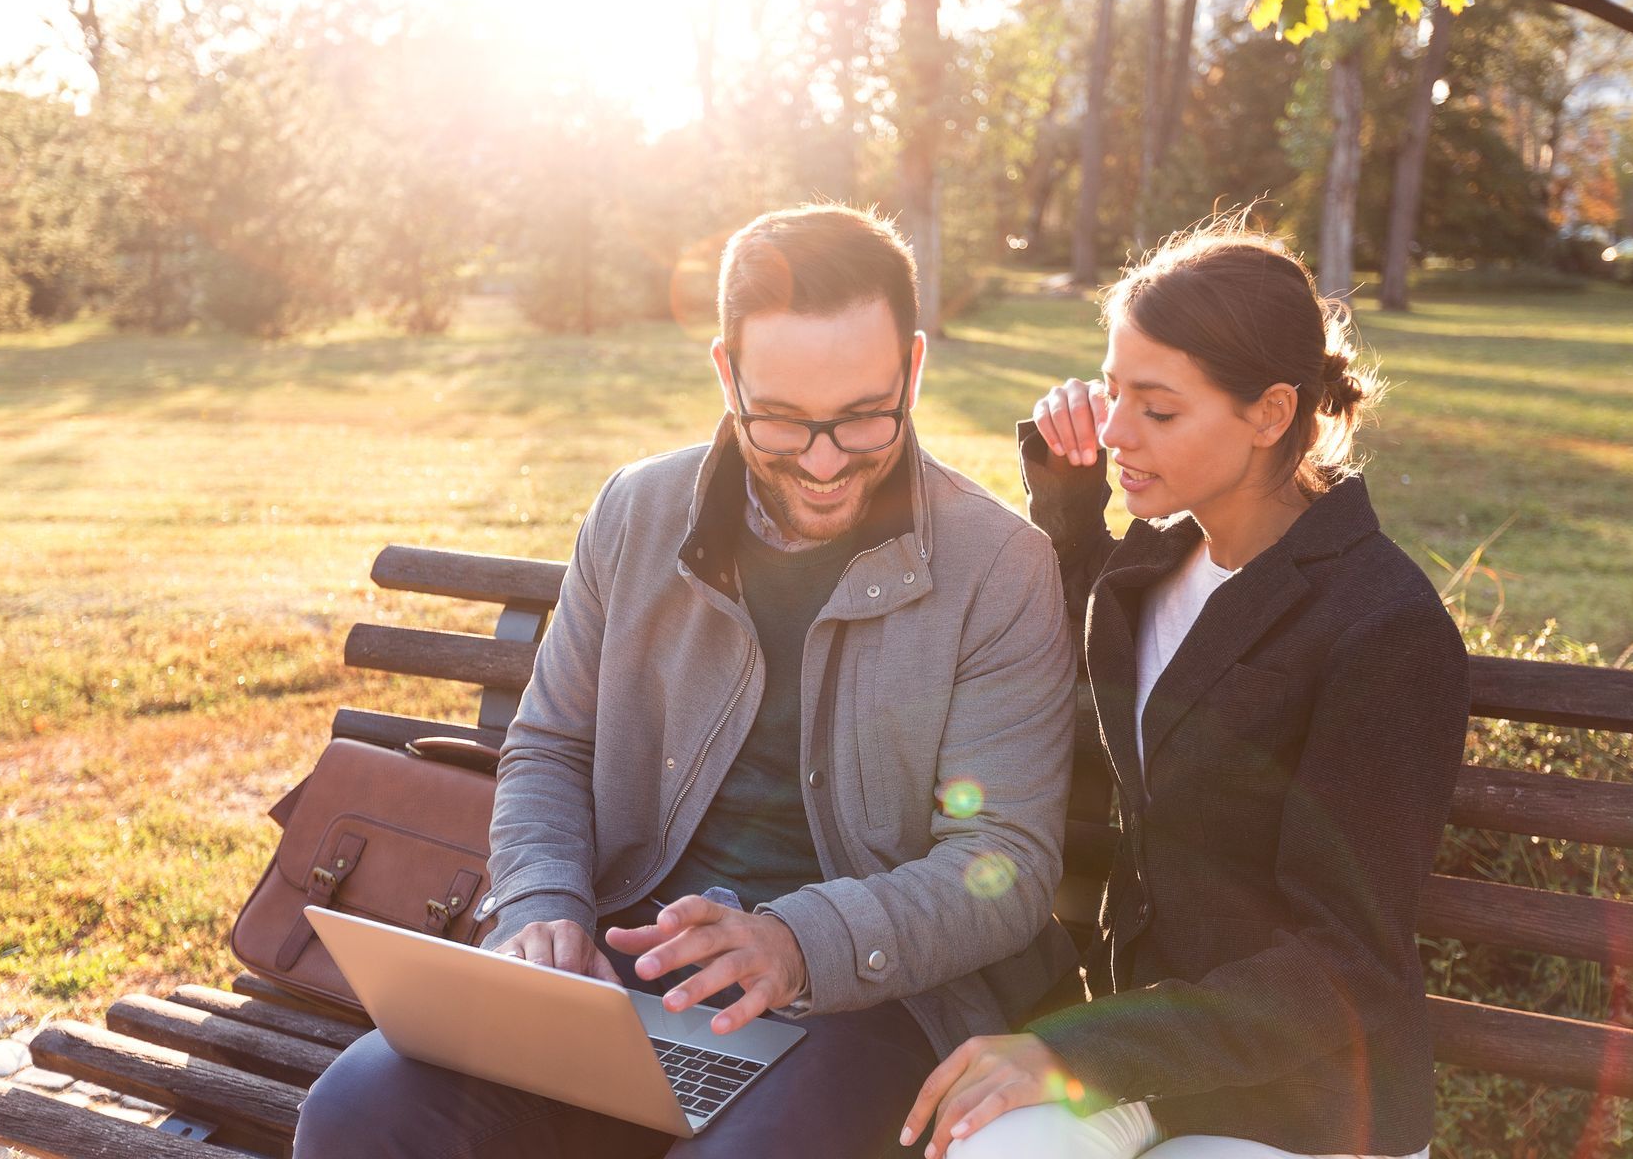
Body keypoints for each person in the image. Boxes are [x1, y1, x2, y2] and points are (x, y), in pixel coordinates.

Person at [294, 204, 1079, 1159]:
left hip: (868, 1002)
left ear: (913, 369)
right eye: (783, 421)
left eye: (866, 416)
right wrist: (543, 907)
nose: (826, 463)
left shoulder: (999, 565)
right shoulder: (637, 512)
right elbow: (551, 745)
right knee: (361, 1121)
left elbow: (1004, 862)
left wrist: (795, 945)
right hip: (620, 973)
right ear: (725, 372)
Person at [900, 220, 1469, 1159]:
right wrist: (1074, 500)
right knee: (988, 1146)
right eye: (1112, 391)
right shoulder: (1153, 565)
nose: (1119, 428)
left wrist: (1077, 1050)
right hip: (1142, 1055)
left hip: (1304, 1101)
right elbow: (1101, 654)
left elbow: (1346, 964)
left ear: (1270, 413)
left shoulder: (1384, 630)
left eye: (1158, 411)